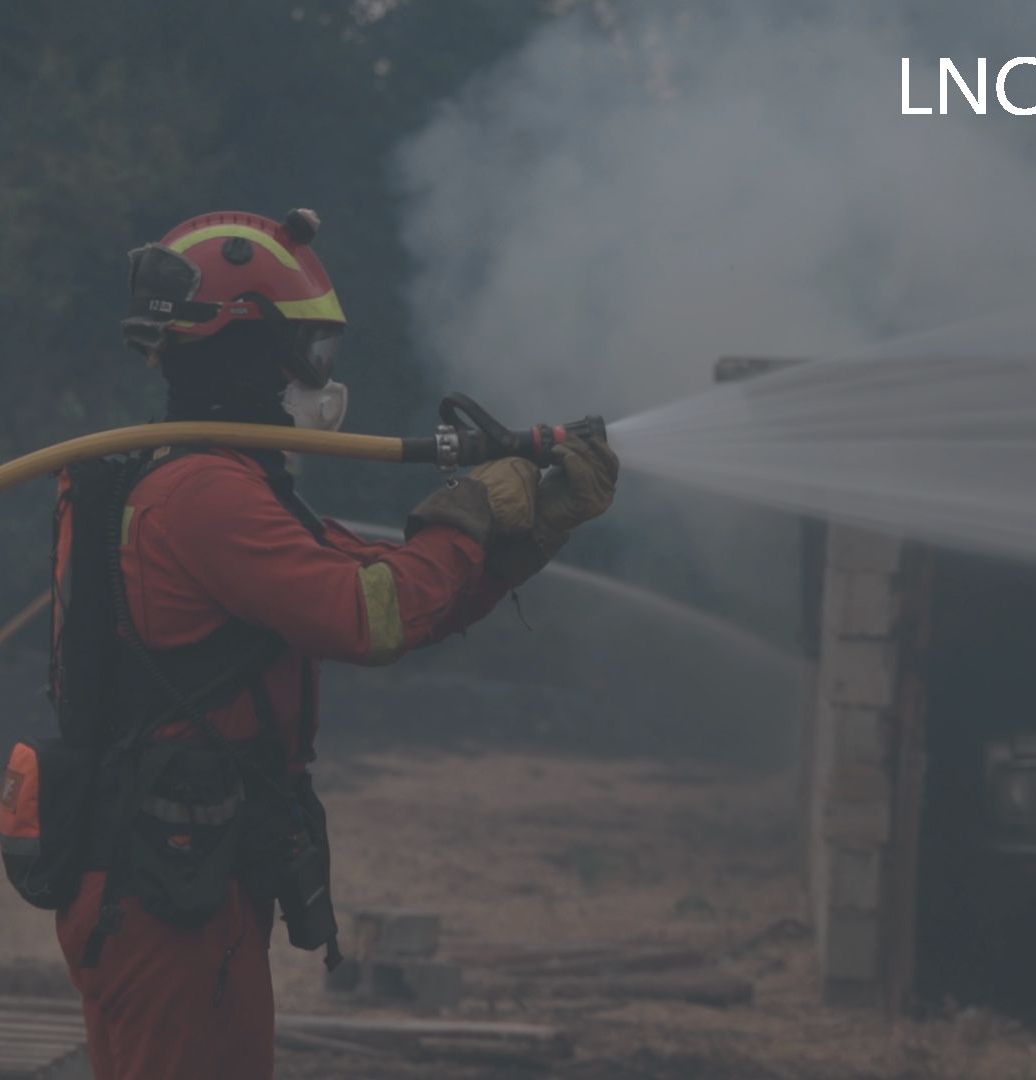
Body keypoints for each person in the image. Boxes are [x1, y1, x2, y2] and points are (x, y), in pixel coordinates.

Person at [54, 210, 618, 1079]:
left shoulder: (232, 484)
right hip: (161, 891)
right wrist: (467, 508)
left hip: (194, 876)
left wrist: (525, 534)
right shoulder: (205, 493)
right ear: (242, 349)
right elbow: (367, 613)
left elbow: (397, 590)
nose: (325, 380)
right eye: (311, 353)